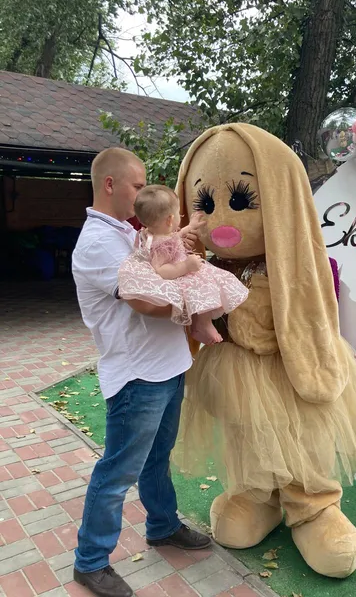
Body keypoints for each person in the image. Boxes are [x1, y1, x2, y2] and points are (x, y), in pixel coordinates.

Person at [71, 148, 210, 597]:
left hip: (167, 366)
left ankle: (163, 525)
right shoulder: (98, 243)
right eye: (137, 184)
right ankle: (90, 561)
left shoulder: (129, 233)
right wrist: (203, 299)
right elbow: (145, 301)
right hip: (137, 377)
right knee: (118, 472)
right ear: (110, 184)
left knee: (157, 458)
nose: (144, 192)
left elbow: (161, 262)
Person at [118, 184, 249, 345]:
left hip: (182, 266)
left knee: (209, 282)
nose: (180, 217)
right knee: (205, 285)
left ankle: (201, 322)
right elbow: (161, 270)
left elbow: (175, 236)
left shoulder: (154, 234)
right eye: (179, 214)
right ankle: (202, 324)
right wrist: (186, 266)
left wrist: (190, 227)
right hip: (180, 274)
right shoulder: (160, 245)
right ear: (170, 220)